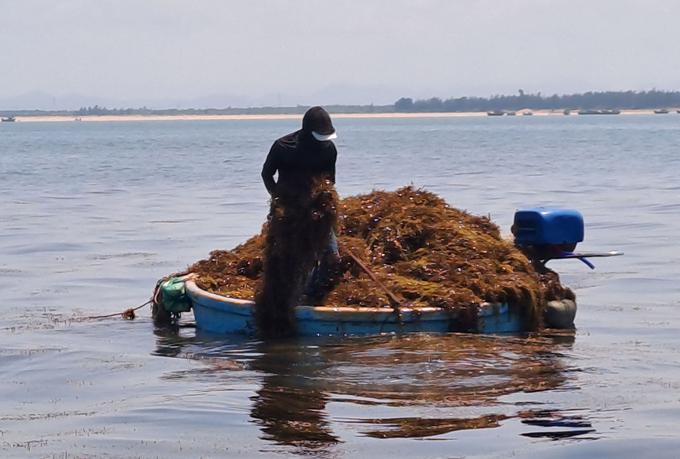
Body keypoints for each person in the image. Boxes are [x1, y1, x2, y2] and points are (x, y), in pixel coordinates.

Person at [261, 106, 340, 302]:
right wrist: (277, 197)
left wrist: (322, 200)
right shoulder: (283, 146)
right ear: (307, 131)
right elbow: (267, 174)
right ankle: (290, 294)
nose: (322, 140)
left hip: (317, 208)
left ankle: (313, 292)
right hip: (287, 208)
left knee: (332, 256)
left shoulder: (329, 149)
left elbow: (330, 180)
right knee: (290, 254)